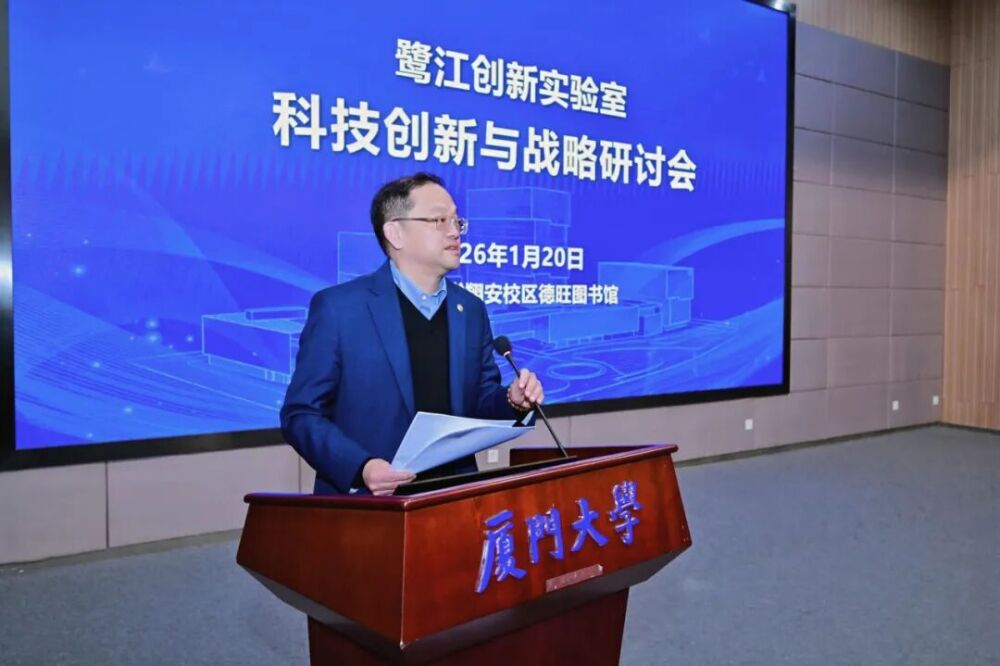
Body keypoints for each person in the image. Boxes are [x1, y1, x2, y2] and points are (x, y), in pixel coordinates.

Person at [280, 172, 544, 495]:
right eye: (439, 220)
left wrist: (512, 400)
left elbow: (478, 401)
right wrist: (361, 467)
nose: (454, 231)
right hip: (368, 506)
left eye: (457, 221)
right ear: (395, 233)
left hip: (451, 497)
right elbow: (301, 414)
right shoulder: (340, 309)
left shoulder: (470, 309)